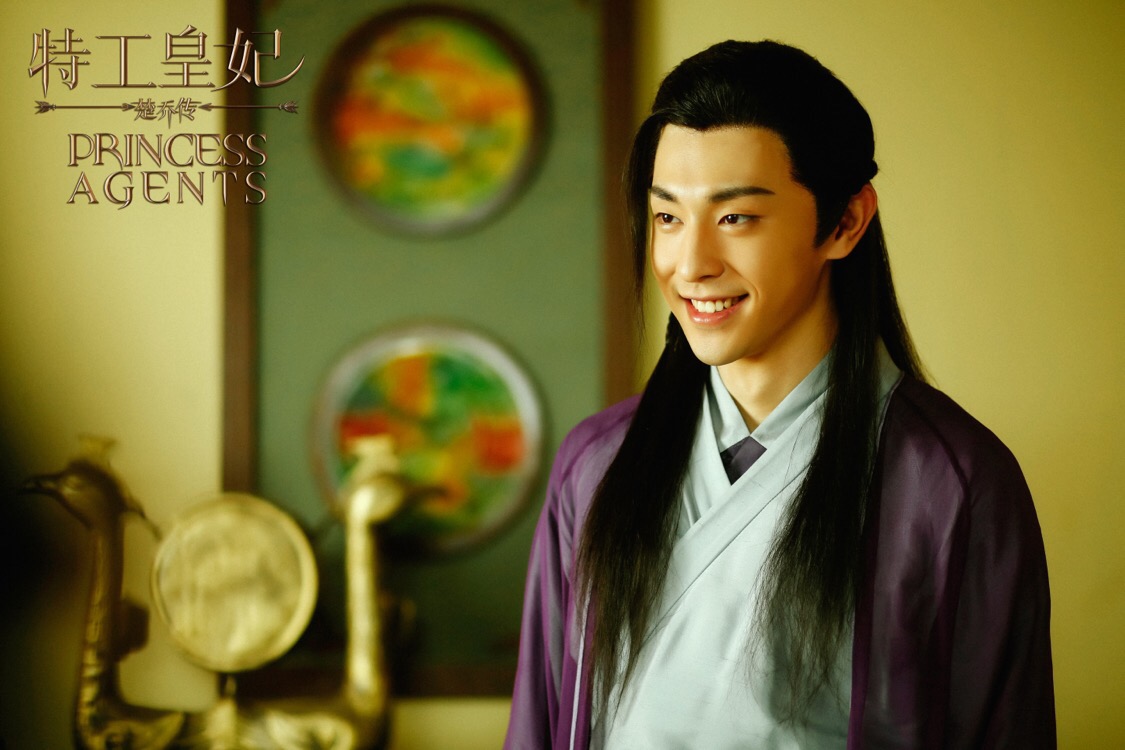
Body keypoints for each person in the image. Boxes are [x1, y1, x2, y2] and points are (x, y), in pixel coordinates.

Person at [504, 40, 1055, 749]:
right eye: (668, 217)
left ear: (844, 222)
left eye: (735, 217)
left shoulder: (952, 484)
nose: (690, 264)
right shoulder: (595, 463)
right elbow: (539, 723)